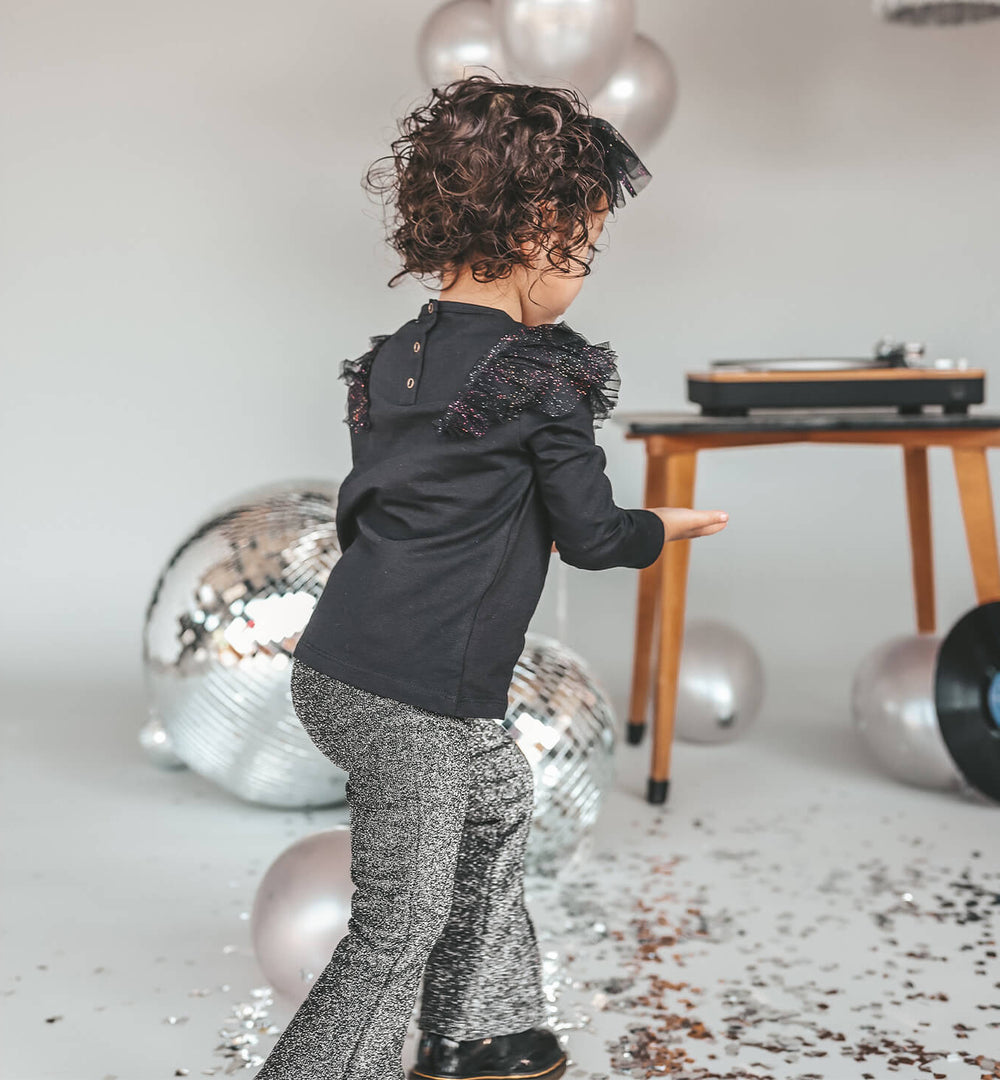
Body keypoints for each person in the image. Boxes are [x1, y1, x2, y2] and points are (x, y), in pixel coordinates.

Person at [252, 75, 729, 1080]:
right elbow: (592, 535)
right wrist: (661, 526)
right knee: (399, 924)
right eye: (586, 248)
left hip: (341, 664)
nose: (583, 273)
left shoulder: (394, 358)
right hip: (409, 690)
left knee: (498, 796)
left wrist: (505, 534)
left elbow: (396, 502)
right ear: (540, 234)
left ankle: (482, 1031)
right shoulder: (541, 370)